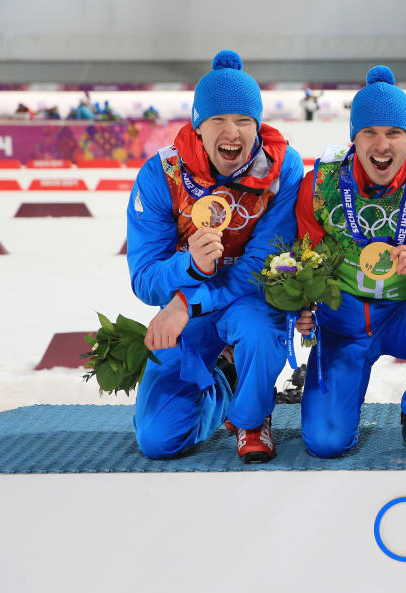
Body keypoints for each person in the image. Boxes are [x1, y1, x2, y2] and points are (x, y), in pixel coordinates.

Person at [126, 50, 303, 462]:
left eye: (244, 121)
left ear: (258, 126)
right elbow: (144, 278)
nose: (233, 132)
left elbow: (263, 267)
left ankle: (252, 416)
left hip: (242, 301)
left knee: (258, 328)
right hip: (187, 314)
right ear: (197, 125)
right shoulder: (161, 175)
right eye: (219, 120)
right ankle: (225, 382)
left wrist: (190, 300)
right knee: (157, 440)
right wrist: (188, 266)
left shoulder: (282, 168)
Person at [293, 65, 406, 461]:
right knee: (325, 442)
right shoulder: (319, 184)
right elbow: (304, 262)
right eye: (369, 132)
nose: (382, 145)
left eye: (394, 134)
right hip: (343, 322)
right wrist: (302, 306)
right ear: (354, 138)